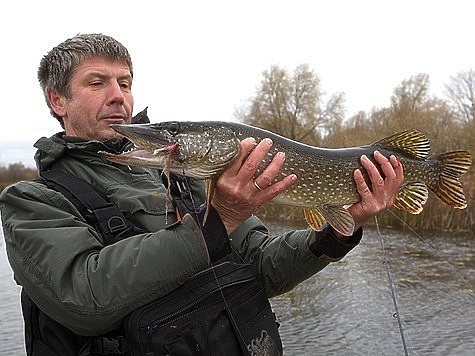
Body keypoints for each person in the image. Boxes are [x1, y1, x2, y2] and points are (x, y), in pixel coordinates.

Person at [0, 33, 404, 356]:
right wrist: (219, 220)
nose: (118, 96)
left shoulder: (191, 181)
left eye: (124, 82)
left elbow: (262, 269)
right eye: (96, 82)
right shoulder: (32, 200)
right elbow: (84, 300)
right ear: (58, 101)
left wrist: (335, 235)